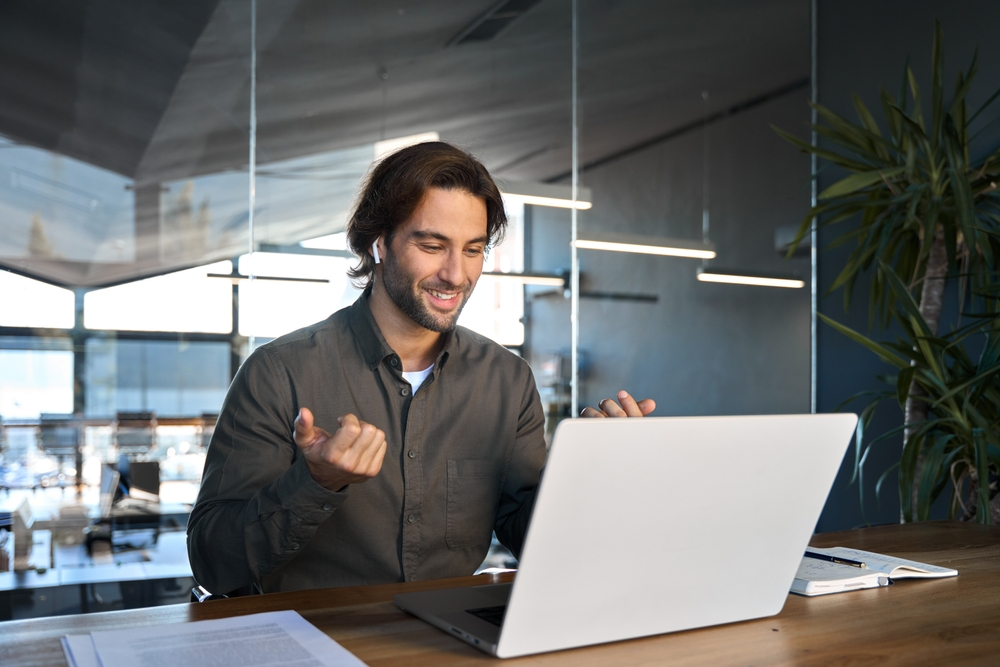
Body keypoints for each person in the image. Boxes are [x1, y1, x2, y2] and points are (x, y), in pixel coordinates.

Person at [187, 142, 654, 595]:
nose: (456, 274)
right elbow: (213, 564)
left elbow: (530, 537)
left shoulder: (507, 380)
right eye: (433, 245)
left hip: (448, 639)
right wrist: (315, 483)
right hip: (318, 638)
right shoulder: (278, 372)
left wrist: (591, 475)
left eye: (473, 250)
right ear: (379, 244)